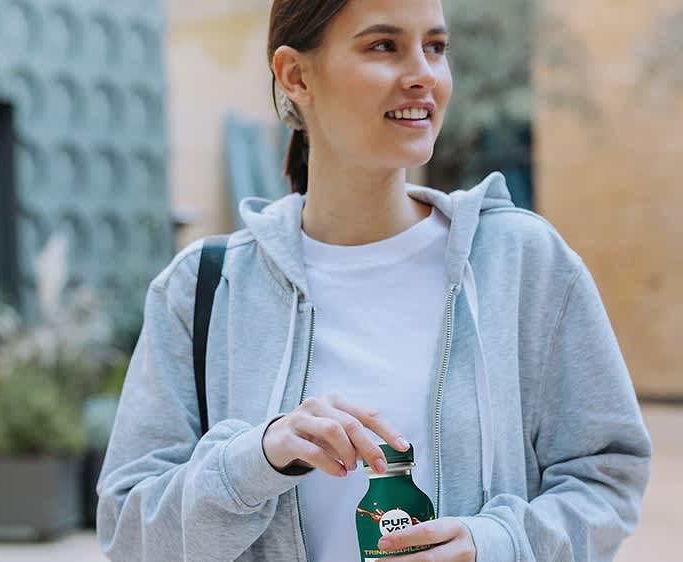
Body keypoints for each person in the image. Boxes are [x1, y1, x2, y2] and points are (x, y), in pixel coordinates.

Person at [96, 0, 652, 560]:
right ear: (294, 75)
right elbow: (129, 533)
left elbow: (606, 477)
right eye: (383, 46)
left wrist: (496, 543)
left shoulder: (522, 263)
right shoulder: (204, 289)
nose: (423, 76)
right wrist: (255, 459)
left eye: (436, 47)